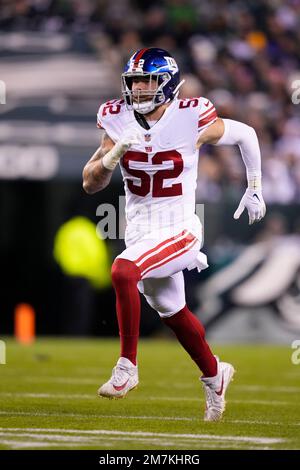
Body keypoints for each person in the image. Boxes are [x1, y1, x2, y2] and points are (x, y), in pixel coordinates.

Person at [82, 47, 266, 421]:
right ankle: (215, 375)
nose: (138, 89)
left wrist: (255, 185)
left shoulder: (191, 116)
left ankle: (127, 367)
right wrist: (110, 157)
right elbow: (90, 183)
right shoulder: (116, 119)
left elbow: (245, 134)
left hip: (180, 228)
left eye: (147, 81)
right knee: (174, 312)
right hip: (142, 232)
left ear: (166, 84)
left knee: (122, 270)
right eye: (134, 82)